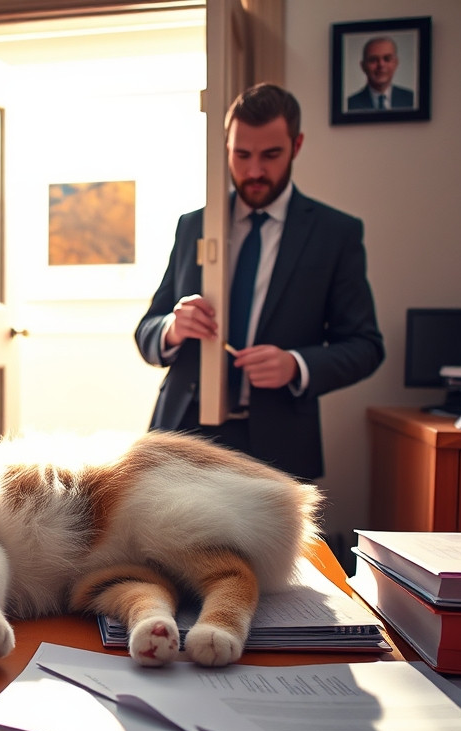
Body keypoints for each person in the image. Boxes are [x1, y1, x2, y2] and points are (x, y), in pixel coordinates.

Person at [134, 82, 383, 481]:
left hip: (279, 444)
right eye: (241, 154)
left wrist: (296, 365)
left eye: (270, 155)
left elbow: (366, 346)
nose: (254, 172)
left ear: (296, 146)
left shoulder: (336, 233)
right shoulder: (193, 225)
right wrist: (172, 329)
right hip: (182, 435)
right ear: (226, 147)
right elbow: (146, 331)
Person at [346, 36, 414, 111]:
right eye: (373, 60)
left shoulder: (412, 100)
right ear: (363, 66)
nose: (381, 65)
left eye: (387, 59)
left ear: (396, 63)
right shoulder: (349, 105)